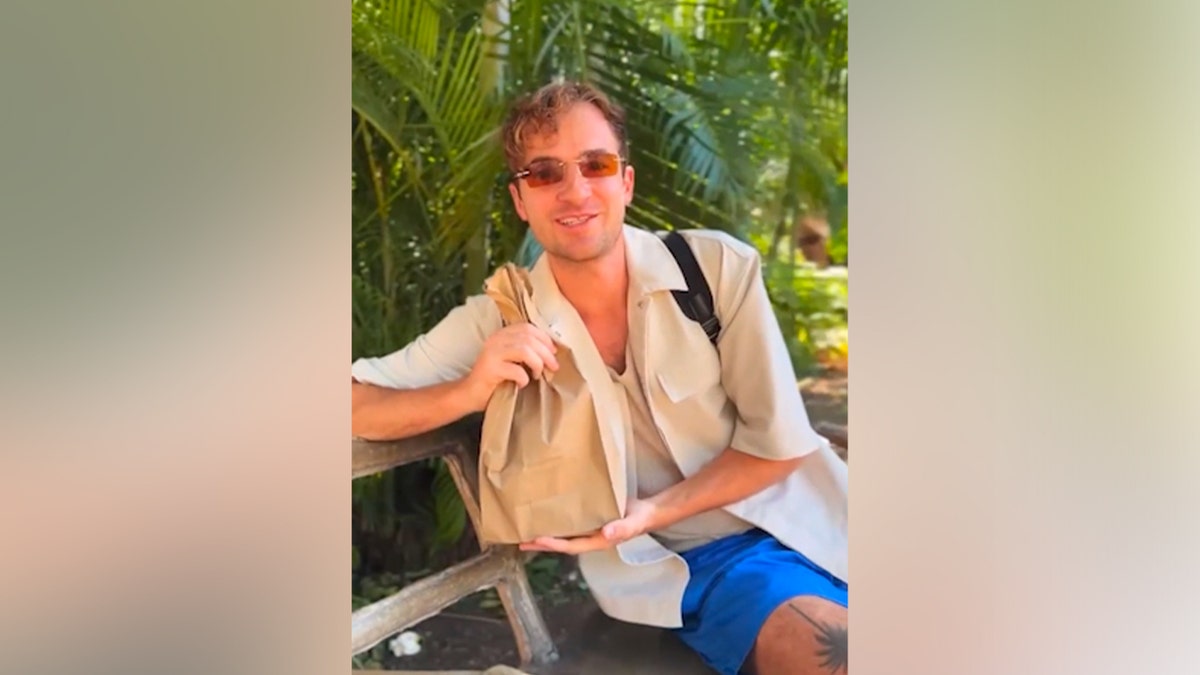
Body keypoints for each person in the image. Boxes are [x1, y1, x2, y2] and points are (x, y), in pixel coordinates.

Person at [351, 81, 848, 675]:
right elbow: (349, 405)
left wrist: (651, 509)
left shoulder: (714, 270)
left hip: (821, 520)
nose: (576, 190)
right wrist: (469, 390)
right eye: (545, 173)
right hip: (711, 567)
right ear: (519, 200)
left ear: (626, 182)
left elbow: (779, 446)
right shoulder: (500, 317)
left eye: (596, 164)